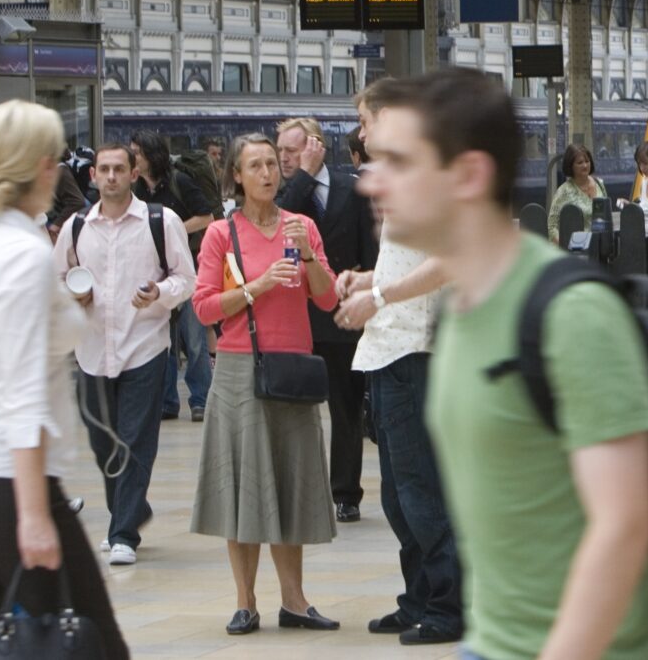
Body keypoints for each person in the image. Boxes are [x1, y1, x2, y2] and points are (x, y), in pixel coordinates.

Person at [360, 66, 648, 660]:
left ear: (468, 175)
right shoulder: (461, 310)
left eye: (399, 163)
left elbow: (625, 527)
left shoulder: (571, 314)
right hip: (494, 642)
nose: (371, 183)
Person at [0, 100, 129, 660]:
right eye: (57, 160)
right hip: (1, 481)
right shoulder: (19, 255)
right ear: (39, 167)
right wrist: (34, 515)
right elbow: (22, 392)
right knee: (94, 639)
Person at [191, 134, 341, 636]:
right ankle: (245, 601)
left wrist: (310, 258)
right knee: (243, 485)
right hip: (238, 369)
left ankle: (295, 601)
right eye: (254, 165)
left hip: (292, 366)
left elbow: (325, 301)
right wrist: (257, 287)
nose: (267, 173)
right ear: (236, 175)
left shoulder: (303, 226)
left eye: (273, 164)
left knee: (290, 481)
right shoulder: (221, 235)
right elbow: (205, 307)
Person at [337, 80, 463, 645]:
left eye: (364, 119)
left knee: (420, 491)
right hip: (388, 351)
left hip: (415, 351)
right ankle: (418, 598)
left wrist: (380, 298)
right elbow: (409, 262)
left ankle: (450, 606)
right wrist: (365, 280)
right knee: (396, 493)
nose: (360, 132)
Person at [52, 142, 196, 566]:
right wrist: (70, 297)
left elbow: (185, 279)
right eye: (104, 169)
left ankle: (123, 533)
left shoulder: (160, 221)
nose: (111, 176)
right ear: (93, 175)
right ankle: (131, 509)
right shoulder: (76, 227)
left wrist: (159, 293)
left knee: (136, 441)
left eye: (119, 169)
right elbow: (57, 279)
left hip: (144, 347)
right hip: (92, 348)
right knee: (102, 442)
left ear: (134, 174)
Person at [276, 116, 378, 523]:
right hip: (294, 316)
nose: (283, 157)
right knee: (292, 408)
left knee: (346, 407)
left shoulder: (352, 188)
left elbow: (368, 248)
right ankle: (296, 488)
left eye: (292, 149)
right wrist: (301, 176)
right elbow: (280, 219)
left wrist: (369, 300)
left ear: (315, 146)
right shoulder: (284, 192)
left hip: (340, 314)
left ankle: (346, 492)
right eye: (280, 149)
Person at [131, 130, 216, 422]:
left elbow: (207, 217)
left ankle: (200, 398)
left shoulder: (180, 182)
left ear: (150, 155)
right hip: (157, 274)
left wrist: (171, 229)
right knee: (163, 339)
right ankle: (167, 401)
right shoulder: (138, 190)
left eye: (137, 153)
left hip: (190, 268)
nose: (134, 158)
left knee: (194, 339)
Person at [547, 143, 605, 243]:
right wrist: (565, 247)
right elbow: (552, 226)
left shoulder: (599, 184)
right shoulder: (563, 192)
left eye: (587, 161)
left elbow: (605, 216)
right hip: (576, 250)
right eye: (580, 163)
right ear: (571, 166)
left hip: (599, 249)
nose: (585, 165)